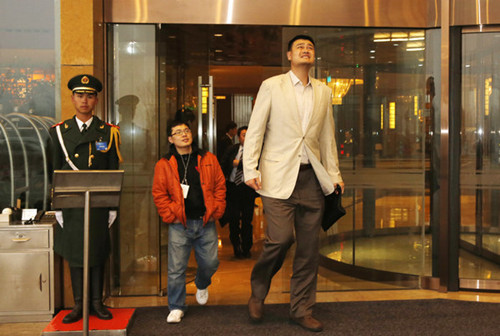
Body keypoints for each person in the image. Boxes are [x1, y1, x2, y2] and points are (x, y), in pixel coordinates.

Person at [243, 35, 344, 332]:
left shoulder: (324, 92)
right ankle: (259, 290)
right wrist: (250, 168)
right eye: (300, 47)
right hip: (276, 178)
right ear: (289, 54)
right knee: (280, 239)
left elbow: (327, 137)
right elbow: (256, 129)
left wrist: (334, 174)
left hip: (312, 179)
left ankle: (301, 309)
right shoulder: (273, 86)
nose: (306, 50)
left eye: (310, 47)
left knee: (309, 249)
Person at [50, 74, 122, 323]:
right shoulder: (59, 132)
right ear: (72, 98)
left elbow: (113, 171)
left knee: (98, 252)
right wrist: (56, 205)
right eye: (80, 96)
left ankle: (96, 303)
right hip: (71, 204)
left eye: (89, 96)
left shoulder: (108, 132)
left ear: (96, 100)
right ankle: (79, 305)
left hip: (99, 204)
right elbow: (55, 171)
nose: (84, 101)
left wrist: (113, 205)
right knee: (75, 253)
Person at [152, 120, 226, 324]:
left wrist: (217, 209)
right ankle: (176, 306)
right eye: (178, 132)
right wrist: (170, 215)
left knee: (211, 263)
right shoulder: (164, 163)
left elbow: (220, 184)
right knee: (176, 268)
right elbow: (159, 193)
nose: (184, 134)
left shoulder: (207, 158)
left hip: (206, 221)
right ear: (170, 138)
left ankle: (202, 283)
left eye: (186, 130)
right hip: (179, 224)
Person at [221, 126, 257, 258]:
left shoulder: (255, 152)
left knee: (247, 219)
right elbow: (223, 164)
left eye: (248, 135)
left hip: (247, 189)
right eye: (243, 135)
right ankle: (236, 246)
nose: (246, 138)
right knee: (234, 219)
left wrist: (240, 164)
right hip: (233, 188)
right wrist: (232, 163)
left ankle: (247, 247)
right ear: (239, 137)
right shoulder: (232, 149)